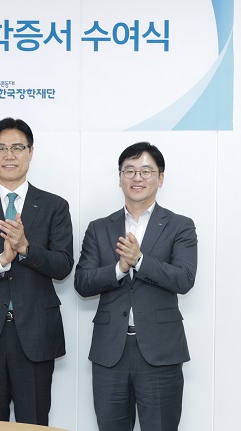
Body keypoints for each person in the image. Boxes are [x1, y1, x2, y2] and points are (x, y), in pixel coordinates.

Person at [0, 117, 74, 426]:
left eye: (17, 148)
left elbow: (63, 265)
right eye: (1, 148)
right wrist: (1, 260)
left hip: (35, 333)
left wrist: (26, 249)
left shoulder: (55, 206)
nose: (9, 155)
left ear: (31, 152)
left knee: (33, 423)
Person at [74, 142, 197, 431]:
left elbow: (184, 278)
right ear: (120, 178)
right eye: (129, 171)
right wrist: (119, 268)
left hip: (160, 351)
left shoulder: (180, 226)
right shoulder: (99, 228)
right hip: (110, 352)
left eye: (146, 171)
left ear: (160, 178)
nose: (137, 177)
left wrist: (140, 260)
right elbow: (82, 282)